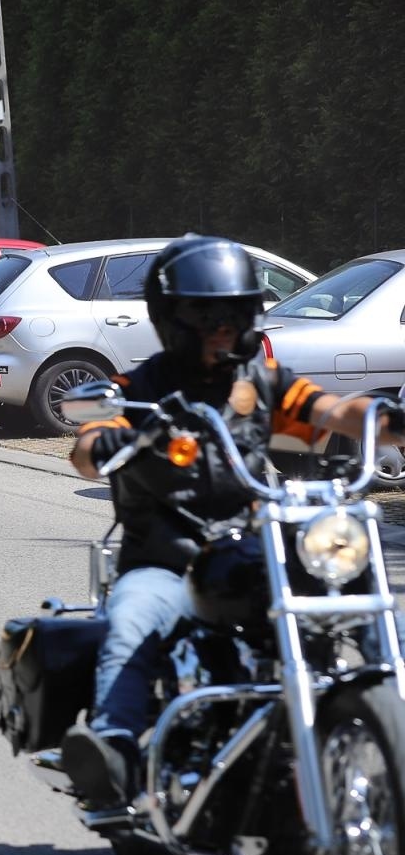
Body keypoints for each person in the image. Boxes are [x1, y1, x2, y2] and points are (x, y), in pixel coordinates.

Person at [61, 235, 405, 808]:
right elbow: (87, 439)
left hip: (251, 546)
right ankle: (114, 751)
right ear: (171, 316)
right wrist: (110, 440)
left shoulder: (259, 381)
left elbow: (331, 411)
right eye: (204, 312)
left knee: (351, 594)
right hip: (163, 557)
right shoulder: (142, 387)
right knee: (132, 624)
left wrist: (386, 416)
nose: (222, 325)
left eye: (236, 311)